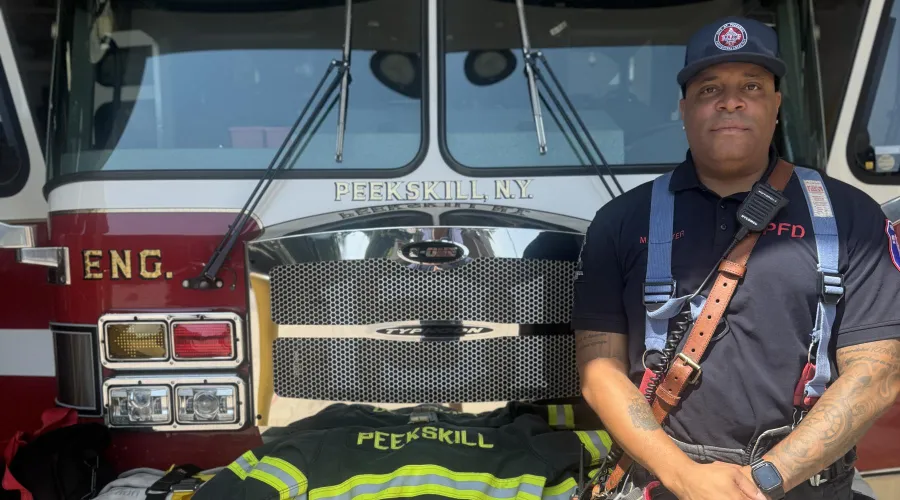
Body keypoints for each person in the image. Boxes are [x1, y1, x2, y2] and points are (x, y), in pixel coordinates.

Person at [571, 15, 900, 500]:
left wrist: (765, 480)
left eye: (751, 85)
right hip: (667, 485)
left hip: (807, 485)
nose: (730, 101)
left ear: (776, 105)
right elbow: (600, 372)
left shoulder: (853, 216)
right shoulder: (620, 221)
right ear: (683, 109)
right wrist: (685, 477)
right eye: (708, 89)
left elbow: (879, 372)